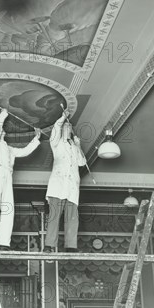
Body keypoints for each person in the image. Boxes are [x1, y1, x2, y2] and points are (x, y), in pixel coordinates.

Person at [0, 108, 41, 250]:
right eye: (0, 130)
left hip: (8, 176)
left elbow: (25, 151)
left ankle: (3, 242)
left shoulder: (9, 148)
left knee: (8, 209)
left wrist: (36, 138)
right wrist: (3, 114)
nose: (3, 130)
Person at [44, 108, 86, 253]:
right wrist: (62, 118)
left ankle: (71, 246)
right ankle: (49, 245)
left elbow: (82, 162)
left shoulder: (74, 147)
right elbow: (55, 129)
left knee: (73, 218)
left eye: (70, 126)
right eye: (66, 126)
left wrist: (79, 146)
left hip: (72, 188)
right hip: (58, 186)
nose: (68, 128)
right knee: (54, 216)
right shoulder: (56, 143)